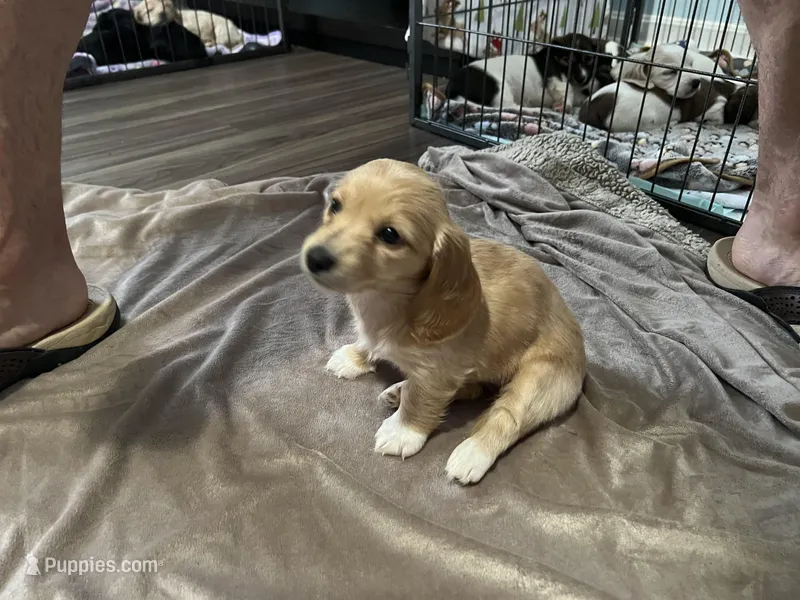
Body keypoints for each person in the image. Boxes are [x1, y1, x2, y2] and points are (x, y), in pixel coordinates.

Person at [0, 0, 797, 390]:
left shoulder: (456, 274)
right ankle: (783, 236)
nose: (325, 241)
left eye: (385, 236)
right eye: (333, 205)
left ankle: (16, 276)